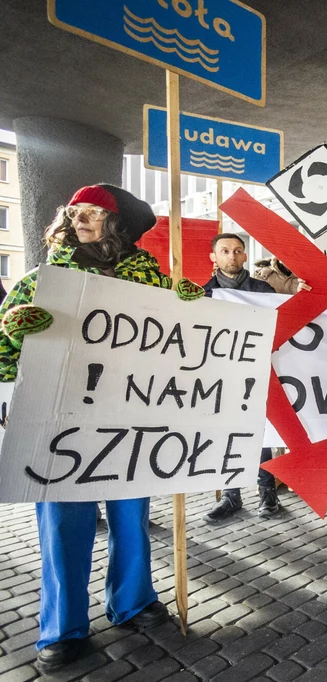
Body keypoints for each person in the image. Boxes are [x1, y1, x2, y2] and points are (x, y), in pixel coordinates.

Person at [0, 184, 205, 671]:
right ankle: (62, 628)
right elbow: (4, 356)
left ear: (118, 225)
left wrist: (196, 309)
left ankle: (133, 602)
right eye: (75, 213)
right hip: (60, 417)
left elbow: (182, 345)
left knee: (131, 515)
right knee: (62, 524)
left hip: (130, 414)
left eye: (92, 213)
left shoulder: (151, 277)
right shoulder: (42, 278)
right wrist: (12, 334)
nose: (80, 220)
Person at [202, 233, 282, 521]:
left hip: (257, 371)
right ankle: (230, 495)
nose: (232, 256)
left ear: (245, 256)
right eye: (225, 251)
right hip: (220, 374)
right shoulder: (202, 293)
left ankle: (267, 493)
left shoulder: (262, 289)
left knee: (259, 433)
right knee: (225, 433)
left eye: (238, 251)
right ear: (214, 257)